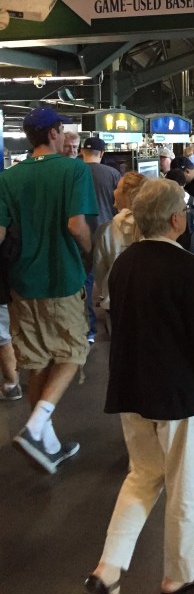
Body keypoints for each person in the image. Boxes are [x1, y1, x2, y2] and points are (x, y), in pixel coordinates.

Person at [84, 178, 194, 594]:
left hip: (132, 389)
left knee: (142, 475)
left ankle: (109, 568)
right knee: (184, 486)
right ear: (175, 220)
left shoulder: (125, 263)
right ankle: (179, 571)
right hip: (178, 395)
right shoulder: (186, 268)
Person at [0, 107, 97, 473]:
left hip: (22, 282)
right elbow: (76, 225)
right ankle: (36, 425)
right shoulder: (74, 170)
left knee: (37, 361)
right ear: (54, 133)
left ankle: (48, 444)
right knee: (73, 352)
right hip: (62, 277)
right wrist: (90, 252)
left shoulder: (8, 178)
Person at [93, 171, 149, 321]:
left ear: (126, 195)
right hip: (148, 299)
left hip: (116, 300)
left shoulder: (106, 231)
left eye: (117, 188)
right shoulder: (152, 227)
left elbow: (100, 272)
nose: (113, 192)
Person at [81, 137, 121, 343]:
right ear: (102, 153)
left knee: (86, 282)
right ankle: (115, 321)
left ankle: (89, 329)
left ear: (82, 151)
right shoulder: (113, 174)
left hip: (82, 235)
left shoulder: (75, 173)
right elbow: (119, 204)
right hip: (108, 233)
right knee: (112, 278)